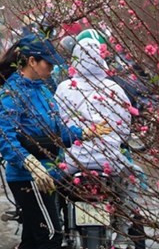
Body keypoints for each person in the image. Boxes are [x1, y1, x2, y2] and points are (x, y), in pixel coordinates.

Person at [0, 35, 107, 249]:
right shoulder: (11, 93)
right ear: (32, 61)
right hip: (29, 178)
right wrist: (30, 163)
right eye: (48, 62)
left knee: (32, 238)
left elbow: (55, 132)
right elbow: (5, 136)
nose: (52, 68)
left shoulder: (43, 90)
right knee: (51, 236)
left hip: (49, 172)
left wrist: (83, 132)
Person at [53, 34, 137, 249]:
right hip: (110, 163)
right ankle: (122, 234)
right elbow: (125, 129)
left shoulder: (64, 88)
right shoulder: (115, 89)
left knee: (53, 184)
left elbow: (55, 125)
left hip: (73, 163)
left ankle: (60, 229)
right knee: (130, 183)